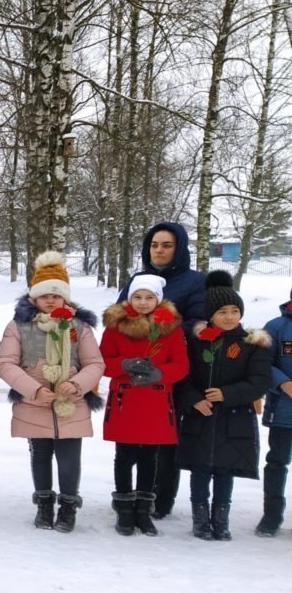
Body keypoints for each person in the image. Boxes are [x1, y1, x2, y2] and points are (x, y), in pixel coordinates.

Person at [0, 252, 105, 533]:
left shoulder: (79, 327)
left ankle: (68, 506)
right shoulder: (19, 326)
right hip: (35, 405)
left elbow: (95, 363)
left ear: (66, 298)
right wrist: (32, 390)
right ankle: (44, 503)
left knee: (70, 457)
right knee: (40, 455)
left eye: (57, 295)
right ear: (34, 297)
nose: (51, 300)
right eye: (45, 295)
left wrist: (78, 384)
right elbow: (6, 363)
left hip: (72, 403)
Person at [117, 222, 208, 519]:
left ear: (179, 248)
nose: (159, 250)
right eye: (154, 244)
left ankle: (159, 499)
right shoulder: (138, 279)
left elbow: (198, 322)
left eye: (166, 245)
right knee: (129, 438)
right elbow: (119, 317)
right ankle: (128, 496)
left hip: (172, 370)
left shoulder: (195, 282)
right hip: (133, 372)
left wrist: (156, 328)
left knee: (165, 438)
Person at [177, 271, 272, 541]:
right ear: (210, 315)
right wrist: (194, 399)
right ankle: (200, 519)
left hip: (234, 418)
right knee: (200, 469)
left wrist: (227, 394)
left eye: (234, 311)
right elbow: (183, 378)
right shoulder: (196, 342)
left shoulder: (252, 344)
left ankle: (221, 519)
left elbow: (259, 381)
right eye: (222, 312)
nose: (229, 317)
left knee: (224, 470)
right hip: (201, 416)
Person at [99, 274, 189, 536]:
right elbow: (103, 360)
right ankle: (125, 508)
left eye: (149, 297)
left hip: (155, 400)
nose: (142, 302)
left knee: (151, 457)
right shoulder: (116, 326)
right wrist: (124, 364)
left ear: (158, 301)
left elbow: (181, 365)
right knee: (125, 456)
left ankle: (144, 509)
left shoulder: (171, 328)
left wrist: (160, 373)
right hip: (126, 400)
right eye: (137, 297)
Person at [258, 288, 292, 536]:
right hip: (284, 411)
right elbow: (262, 363)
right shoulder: (276, 327)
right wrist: (282, 383)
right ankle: (272, 515)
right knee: (277, 462)